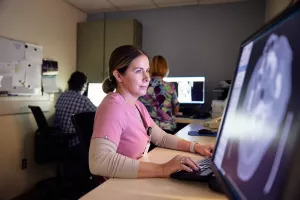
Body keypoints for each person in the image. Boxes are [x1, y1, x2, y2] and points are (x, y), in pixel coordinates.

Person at [89, 45, 214, 179]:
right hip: (117, 186)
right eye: (138, 71)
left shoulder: (137, 105)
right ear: (119, 76)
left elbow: (162, 138)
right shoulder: (113, 106)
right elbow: (99, 161)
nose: (147, 78)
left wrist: (196, 147)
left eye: (147, 70)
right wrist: (163, 169)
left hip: (134, 179)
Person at [54, 71, 97, 147]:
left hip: (61, 140)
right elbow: (100, 114)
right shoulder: (83, 100)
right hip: (75, 142)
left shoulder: (62, 96)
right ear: (83, 85)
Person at [139, 55, 179, 134]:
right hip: (167, 129)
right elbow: (176, 110)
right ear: (165, 69)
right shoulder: (170, 86)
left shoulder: (143, 85)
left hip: (148, 130)